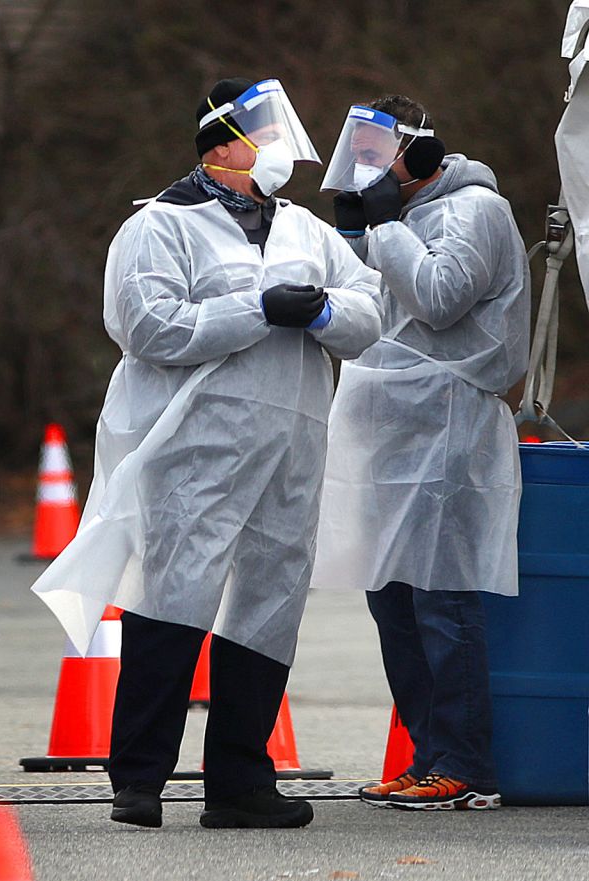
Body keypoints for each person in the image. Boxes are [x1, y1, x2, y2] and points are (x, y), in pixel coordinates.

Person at [30, 77, 383, 829]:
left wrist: (321, 307)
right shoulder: (161, 226)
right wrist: (257, 307)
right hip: (195, 448)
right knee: (173, 601)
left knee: (270, 605)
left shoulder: (305, 230)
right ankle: (139, 779)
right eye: (266, 134)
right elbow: (149, 326)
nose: (282, 151)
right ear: (221, 143)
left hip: (290, 444)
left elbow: (369, 307)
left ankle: (239, 783)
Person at [315, 95, 529, 811]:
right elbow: (370, 300)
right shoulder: (401, 217)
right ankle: (428, 752)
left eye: (378, 155)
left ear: (419, 153)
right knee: (393, 599)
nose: (365, 170)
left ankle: (465, 762)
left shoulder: (476, 210)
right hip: (391, 425)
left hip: (447, 427)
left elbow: (439, 297)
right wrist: (356, 235)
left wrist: (380, 224)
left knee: (442, 596)